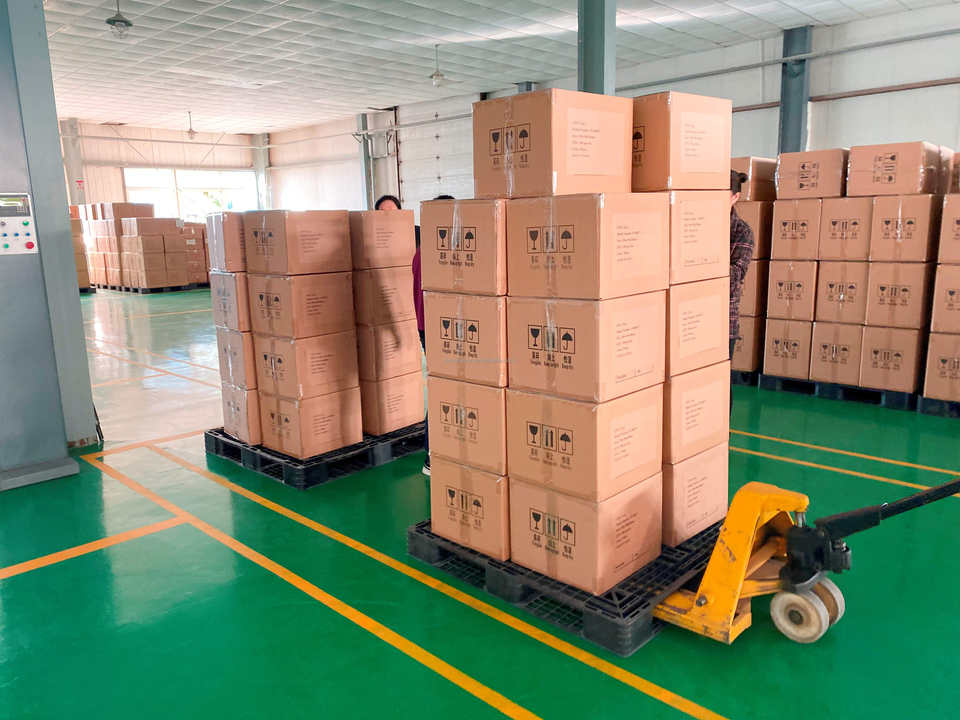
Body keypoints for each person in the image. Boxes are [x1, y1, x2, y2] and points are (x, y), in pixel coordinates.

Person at [729, 171, 755, 412]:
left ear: (735, 197)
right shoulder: (694, 226)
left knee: (719, 382)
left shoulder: (741, 231)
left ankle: (721, 429)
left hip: (723, 322)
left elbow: (735, 275)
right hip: (692, 320)